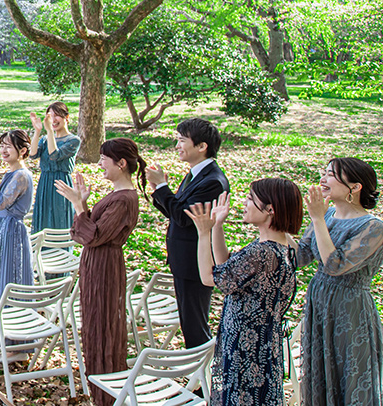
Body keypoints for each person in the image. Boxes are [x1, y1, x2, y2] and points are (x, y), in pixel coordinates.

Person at [186, 179, 302, 406]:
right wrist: (218, 226)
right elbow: (225, 265)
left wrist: (203, 233)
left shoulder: (261, 253)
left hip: (246, 350)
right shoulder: (281, 247)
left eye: (251, 198)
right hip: (263, 345)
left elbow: (209, 277)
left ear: (270, 210)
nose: (245, 203)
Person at [54, 138, 142, 406]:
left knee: (103, 327)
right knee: (94, 324)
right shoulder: (117, 195)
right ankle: (100, 391)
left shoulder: (125, 199)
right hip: (97, 263)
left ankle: (107, 396)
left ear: (121, 163)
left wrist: (80, 206)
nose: (100, 163)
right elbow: (88, 232)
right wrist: (80, 204)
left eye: (105, 158)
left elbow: (93, 236)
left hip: (105, 267)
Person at [295, 157, 383, 406]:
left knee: (350, 374)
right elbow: (301, 256)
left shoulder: (373, 227)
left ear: (355, 187)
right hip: (319, 302)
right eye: (324, 173)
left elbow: (335, 265)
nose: (323, 179)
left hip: (350, 307)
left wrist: (318, 220)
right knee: (319, 373)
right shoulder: (328, 214)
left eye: (331, 174)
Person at [146, 117, 229, 348]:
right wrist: (158, 189)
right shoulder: (195, 173)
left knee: (195, 326)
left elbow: (184, 217)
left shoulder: (212, 181)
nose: (177, 146)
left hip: (196, 263)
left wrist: (163, 187)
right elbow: (177, 213)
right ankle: (198, 379)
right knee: (188, 322)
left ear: (202, 146)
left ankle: (201, 381)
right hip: (184, 261)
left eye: (182, 140)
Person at [0, 130, 34, 318]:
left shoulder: (21, 175)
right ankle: (1, 330)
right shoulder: (10, 174)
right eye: (2, 145)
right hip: (2, 227)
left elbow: (1, 203)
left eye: (8, 146)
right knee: (0, 273)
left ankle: (15, 332)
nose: (4, 150)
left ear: (22, 150)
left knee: (12, 274)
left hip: (13, 229)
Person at [30, 101, 82, 233]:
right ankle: (41, 251)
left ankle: (61, 250)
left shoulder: (73, 140)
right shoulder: (45, 139)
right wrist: (37, 131)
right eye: (50, 116)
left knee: (60, 218)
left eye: (57, 115)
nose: (53, 120)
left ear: (67, 118)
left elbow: (54, 155)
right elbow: (33, 154)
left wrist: (49, 132)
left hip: (62, 183)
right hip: (45, 182)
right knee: (43, 218)